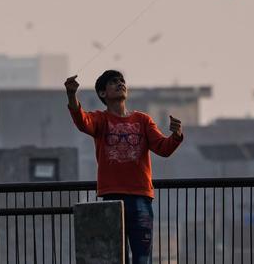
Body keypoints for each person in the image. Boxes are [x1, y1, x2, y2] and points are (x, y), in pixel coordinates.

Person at [66, 70, 183, 264]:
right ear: (103, 93)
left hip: (141, 198)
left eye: (122, 81)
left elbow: (163, 148)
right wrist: (71, 95)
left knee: (142, 258)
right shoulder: (100, 120)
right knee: (115, 257)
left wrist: (176, 135)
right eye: (114, 82)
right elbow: (82, 121)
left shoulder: (143, 120)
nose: (120, 83)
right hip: (112, 197)